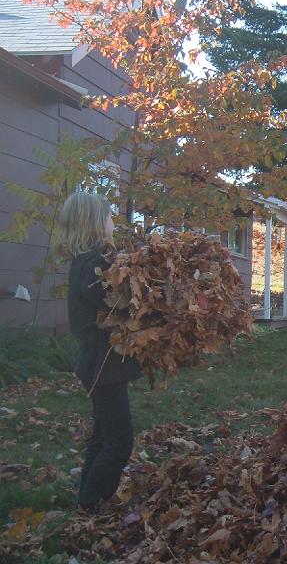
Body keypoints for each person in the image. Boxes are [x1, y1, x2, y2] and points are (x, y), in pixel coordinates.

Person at [58, 191, 141, 514]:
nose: (112, 221)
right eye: (108, 216)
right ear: (94, 222)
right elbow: (117, 302)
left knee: (105, 433)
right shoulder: (92, 267)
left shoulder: (88, 262)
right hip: (101, 367)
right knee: (120, 440)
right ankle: (93, 501)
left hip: (98, 365)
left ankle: (89, 498)